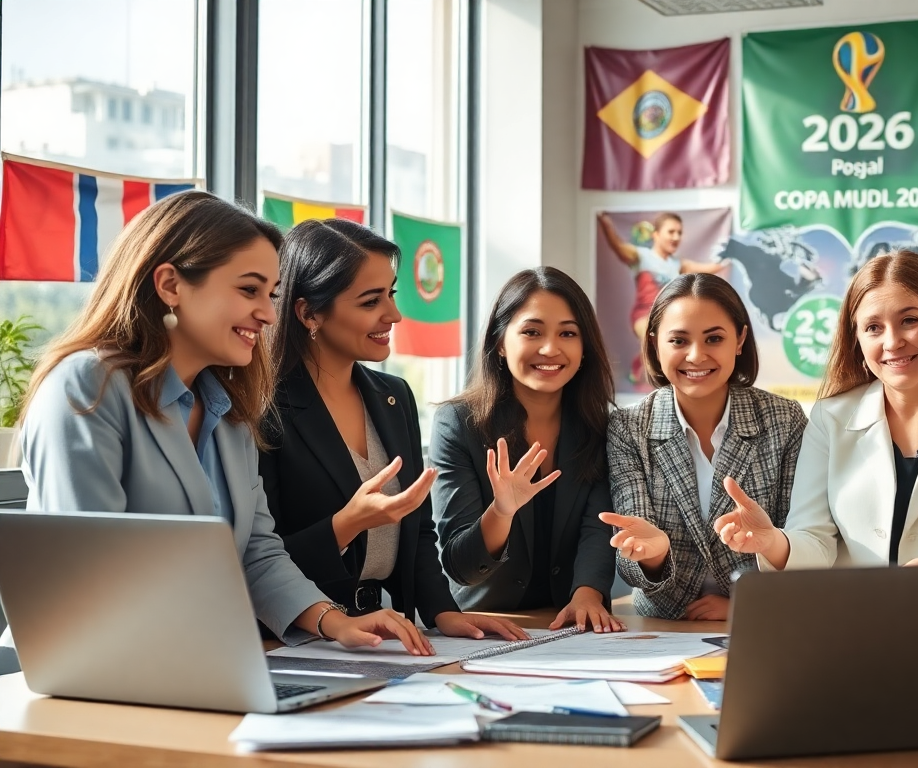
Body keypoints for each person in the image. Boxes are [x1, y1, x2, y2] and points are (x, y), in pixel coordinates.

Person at [14, 191, 432, 654]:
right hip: (92, 671)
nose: (270, 314)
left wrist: (332, 622)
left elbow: (256, 552)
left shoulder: (229, 407)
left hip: (196, 662)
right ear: (171, 285)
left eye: (271, 294)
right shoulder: (87, 387)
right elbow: (90, 570)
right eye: (249, 290)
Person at [260, 219, 526, 642]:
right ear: (309, 312)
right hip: (298, 636)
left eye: (391, 294)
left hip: (387, 631)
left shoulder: (392, 395)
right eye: (370, 302)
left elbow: (418, 527)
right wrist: (346, 524)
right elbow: (260, 556)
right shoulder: (265, 407)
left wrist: (442, 611)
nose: (394, 314)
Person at [715, 251, 918, 568]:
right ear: (857, 339)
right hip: (857, 615)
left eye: (910, 320)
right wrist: (771, 541)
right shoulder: (830, 418)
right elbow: (814, 540)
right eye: (874, 327)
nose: (892, 342)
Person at [599, 274, 807, 621]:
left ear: (739, 339)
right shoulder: (628, 427)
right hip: (662, 623)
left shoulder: (783, 419)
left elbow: (801, 540)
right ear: (654, 344)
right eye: (678, 340)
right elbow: (631, 561)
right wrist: (654, 554)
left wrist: (747, 605)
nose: (696, 356)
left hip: (762, 618)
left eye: (714, 338)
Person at [431, 267, 623, 632]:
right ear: (501, 343)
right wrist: (501, 512)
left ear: (584, 349)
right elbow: (460, 565)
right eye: (532, 332)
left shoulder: (601, 426)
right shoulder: (458, 423)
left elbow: (598, 527)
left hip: (571, 622)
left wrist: (587, 594)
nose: (550, 348)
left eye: (568, 333)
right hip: (486, 625)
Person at [598, 212, 724, 382]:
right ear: (656, 235)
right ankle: (650, 377)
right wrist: (606, 224)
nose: (676, 237)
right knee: (652, 338)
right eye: (671, 232)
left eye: (679, 233)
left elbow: (710, 268)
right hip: (643, 315)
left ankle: (643, 366)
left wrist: (735, 257)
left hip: (667, 318)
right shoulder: (640, 256)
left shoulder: (678, 264)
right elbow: (617, 245)